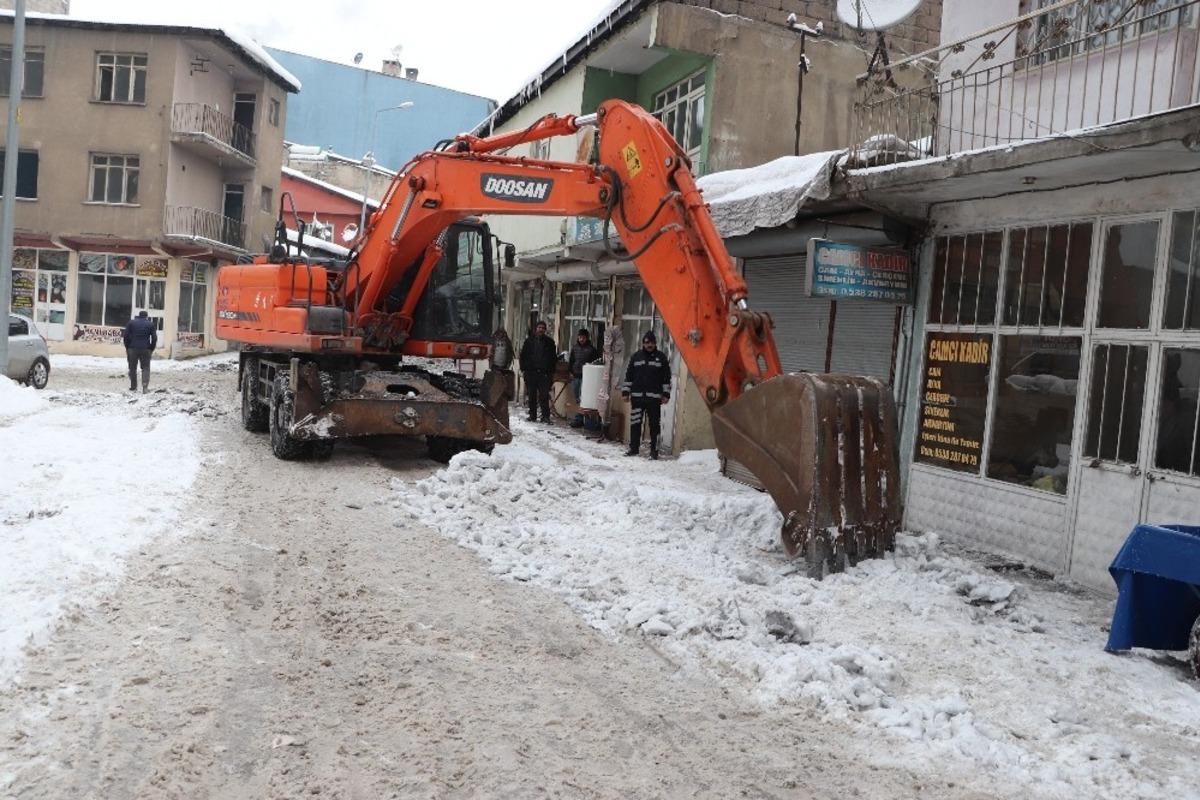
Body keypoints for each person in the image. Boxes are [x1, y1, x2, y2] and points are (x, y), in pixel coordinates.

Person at [621, 330, 671, 459]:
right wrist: (626, 392)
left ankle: (654, 451)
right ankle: (633, 449)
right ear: (643, 343)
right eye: (647, 342)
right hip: (637, 398)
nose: (649, 345)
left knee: (654, 426)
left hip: (654, 399)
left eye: (652, 342)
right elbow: (629, 375)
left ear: (655, 343)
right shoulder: (636, 357)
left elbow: (666, 378)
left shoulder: (661, 358)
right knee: (635, 423)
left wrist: (666, 394)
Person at [519, 320, 556, 423]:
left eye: (543, 328)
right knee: (531, 395)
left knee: (544, 395)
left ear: (545, 330)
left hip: (544, 373)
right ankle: (532, 415)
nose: (541, 330)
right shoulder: (529, 341)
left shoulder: (549, 342)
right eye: (539, 327)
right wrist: (524, 369)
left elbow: (553, 358)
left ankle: (545, 416)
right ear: (536, 329)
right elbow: (523, 356)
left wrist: (550, 372)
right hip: (531, 372)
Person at [567, 328, 599, 428]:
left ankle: (582, 419)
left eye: (583, 337)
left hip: (587, 378)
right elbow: (571, 361)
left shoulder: (591, 350)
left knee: (584, 398)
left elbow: (595, 364)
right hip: (576, 376)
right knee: (577, 398)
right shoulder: (575, 348)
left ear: (587, 338)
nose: (581, 339)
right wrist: (570, 372)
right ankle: (580, 418)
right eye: (580, 337)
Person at [122, 310, 157, 393]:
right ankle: (145, 387)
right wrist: (151, 348)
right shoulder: (150, 324)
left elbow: (125, 336)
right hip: (145, 349)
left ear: (139, 316)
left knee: (132, 368)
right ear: (146, 316)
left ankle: (133, 387)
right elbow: (154, 338)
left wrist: (127, 347)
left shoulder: (131, 323)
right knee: (145, 368)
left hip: (132, 348)